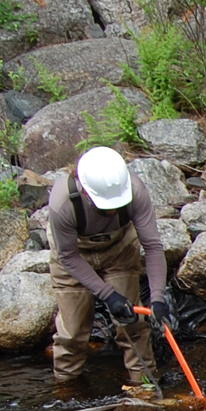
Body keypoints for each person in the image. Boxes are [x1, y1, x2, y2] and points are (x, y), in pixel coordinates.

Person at [49, 145, 173, 397]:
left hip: (119, 251)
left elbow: (152, 246)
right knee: (72, 334)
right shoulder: (63, 203)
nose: (113, 210)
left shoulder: (135, 191)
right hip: (74, 258)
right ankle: (66, 390)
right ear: (85, 190)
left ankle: (146, 389)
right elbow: (68, 256)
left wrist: (157, 298)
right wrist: (108, 295)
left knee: (133, 325)